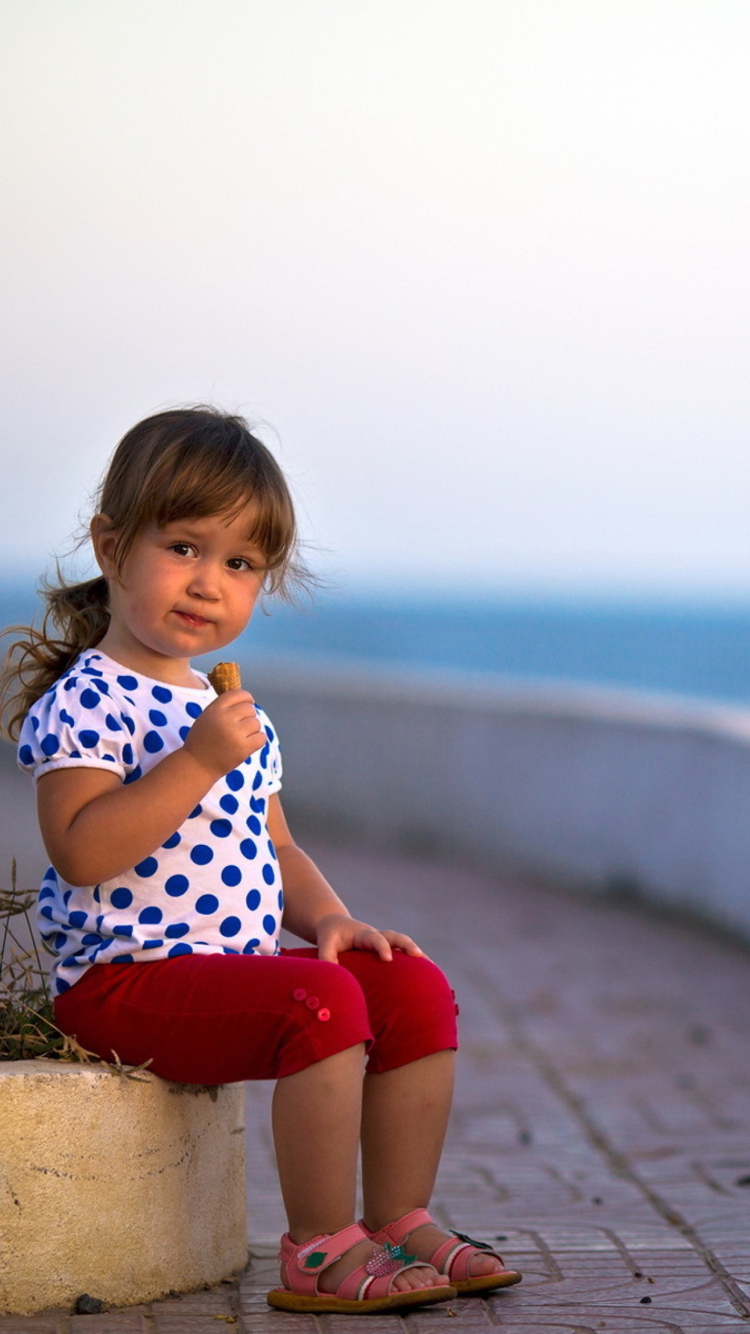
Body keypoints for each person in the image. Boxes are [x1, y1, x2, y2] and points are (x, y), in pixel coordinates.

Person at [1, 407, 521, 1314]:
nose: (209, 583)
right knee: (319, 1002)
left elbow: (274, 845)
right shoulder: (92, 699)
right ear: (112, 546)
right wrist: (196, 760)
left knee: (408, 985)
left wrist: (330, 920)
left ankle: (398, 1218)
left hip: (228, 972)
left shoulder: (235, 711)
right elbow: (81, 850)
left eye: (239, 564)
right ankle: (319, 1249)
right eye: (186, 547)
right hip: (126, 983)